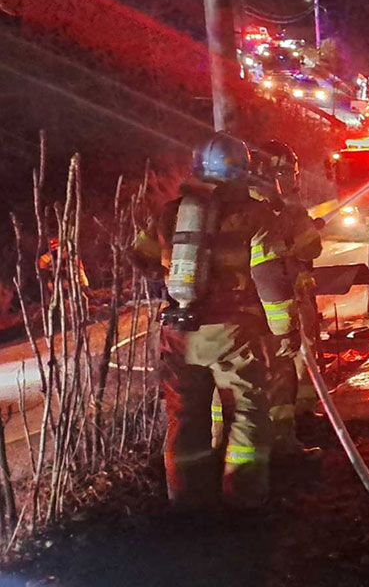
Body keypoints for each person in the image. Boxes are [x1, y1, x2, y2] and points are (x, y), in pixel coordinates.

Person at [138, 132, 288, 509]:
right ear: (244, 170)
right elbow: (269, 280)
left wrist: (171, 276)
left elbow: (140, 257)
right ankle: (244, 497)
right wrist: (286, 329)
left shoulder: (171, 212)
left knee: (184, 416)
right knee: (247, 410)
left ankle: (186, 500)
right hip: (231, 331)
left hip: (178, 331)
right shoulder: (255, 216)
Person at [253, 140, 324, 457]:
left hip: (255, 301)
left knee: (290, 358)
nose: (294, 179)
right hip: (275, 301)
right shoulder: (280, 208)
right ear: (276, 172)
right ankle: (283, 437)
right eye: (290, 172)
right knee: (282, 361)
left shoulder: (246, 204)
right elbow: (310, 248)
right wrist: (305, 224)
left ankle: (302, 412)